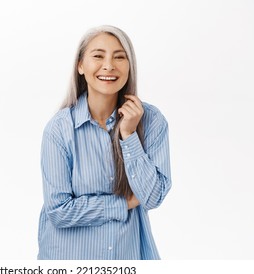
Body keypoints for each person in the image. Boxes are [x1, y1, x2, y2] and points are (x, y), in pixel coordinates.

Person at [37, 25, 171, 260]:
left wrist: (129, 135)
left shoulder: (151, 122)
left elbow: (151, 198)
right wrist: (122, 205)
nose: (109, 65)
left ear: (130, 66)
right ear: (80, 65)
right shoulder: (59, 130)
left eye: (119, 57)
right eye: (98, 56)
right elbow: (59, 211)